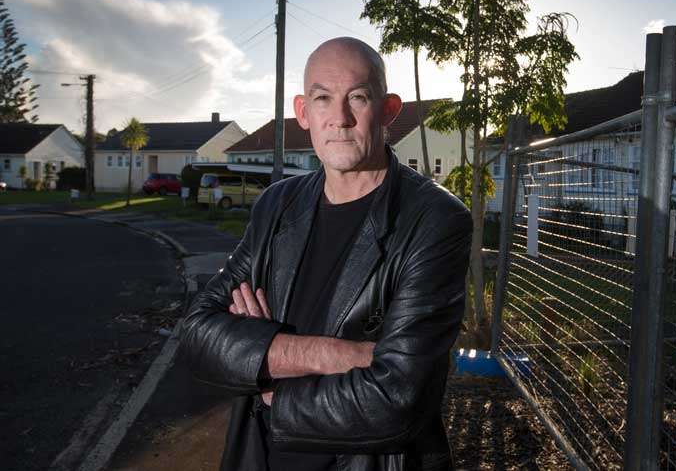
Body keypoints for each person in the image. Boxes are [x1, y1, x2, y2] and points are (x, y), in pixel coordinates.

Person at [181, 37, 472, 471]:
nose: (340, 118)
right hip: (259, 456)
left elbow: (399, 397)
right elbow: (197, 332)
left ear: (389, 109)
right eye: (322, 98)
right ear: (303, 112)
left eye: (358, 96)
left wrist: (266, 375)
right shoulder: (277, 206)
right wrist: (336, 355)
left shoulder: (434, 220)